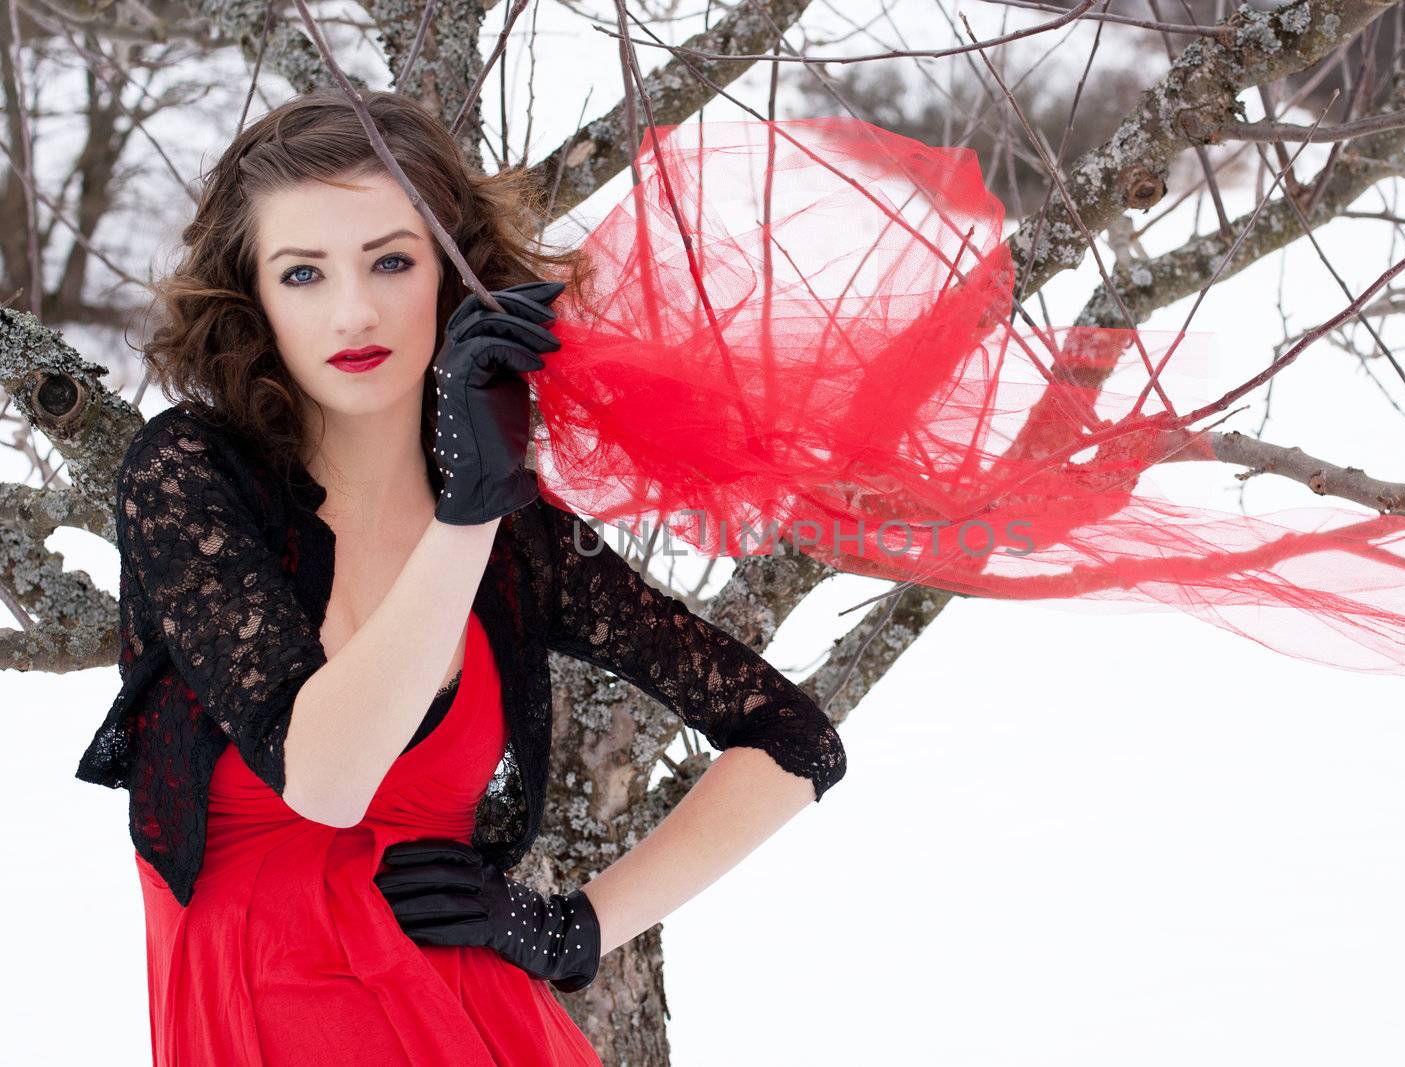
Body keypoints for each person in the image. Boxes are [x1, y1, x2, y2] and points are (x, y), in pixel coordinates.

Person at [74, 90, 846, 1066]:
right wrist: (468, 508)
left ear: (451, 273)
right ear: (254, 299)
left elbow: (795, 738)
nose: (353, 310)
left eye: (391, 260)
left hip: (480, 1022)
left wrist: (573, 929)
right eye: (302, 272)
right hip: (264, 1016)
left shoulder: (513, 539)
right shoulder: (192, 474)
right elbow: (324, 777)